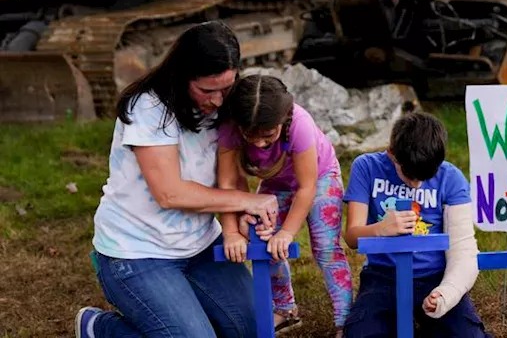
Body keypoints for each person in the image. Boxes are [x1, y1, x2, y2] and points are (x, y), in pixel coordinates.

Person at [76, 20, 280, 338]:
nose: (218, 100)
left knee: (254, 330)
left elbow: (231, 176)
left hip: (201, 245)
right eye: (207, 90)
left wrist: (240, 218)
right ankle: (101, 329)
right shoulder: (148, 106)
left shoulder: (227, 105)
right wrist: (247, 200)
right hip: (137, 251)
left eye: (226, 88)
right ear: (182, 76)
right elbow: (169, 193)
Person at [216, 74, 353, 335]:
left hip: (319, 177)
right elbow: (228, 184)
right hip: (274, 184)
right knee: (262, 240)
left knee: (326, 248)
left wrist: (287, 232)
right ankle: (285, 309)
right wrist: (231, 232)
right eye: (250, 136)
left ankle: (345, 320)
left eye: (268, 135)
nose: (258, 143)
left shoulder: (299, 122)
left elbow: (307, 187)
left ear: (283, 119)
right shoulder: (230, 126)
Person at [341, 111, 491, 338]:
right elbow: (352, 237)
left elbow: (463, 249)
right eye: (409, 175)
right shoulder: (367, 167)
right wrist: (381, 229)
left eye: (425, 176)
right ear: (392, 154)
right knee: (361, 333)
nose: (417, 184)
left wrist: (446, 293)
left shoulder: (451, 178)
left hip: (434, 276)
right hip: (383, 275)